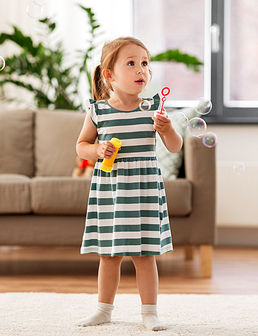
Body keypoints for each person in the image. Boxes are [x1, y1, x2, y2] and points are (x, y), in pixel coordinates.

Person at [75, 36, 183, 331]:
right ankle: (103, 310)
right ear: (109, 74)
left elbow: (175, 147)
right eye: (132, 63)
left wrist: (168, 128)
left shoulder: (153, 109)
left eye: (145, 63)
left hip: (144, 191)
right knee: (109, 255)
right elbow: (81, 146)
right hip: (112, 192)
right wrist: (97, 150)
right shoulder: (98, 111)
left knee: (145, 255)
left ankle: (150, 312)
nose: (141, 70)